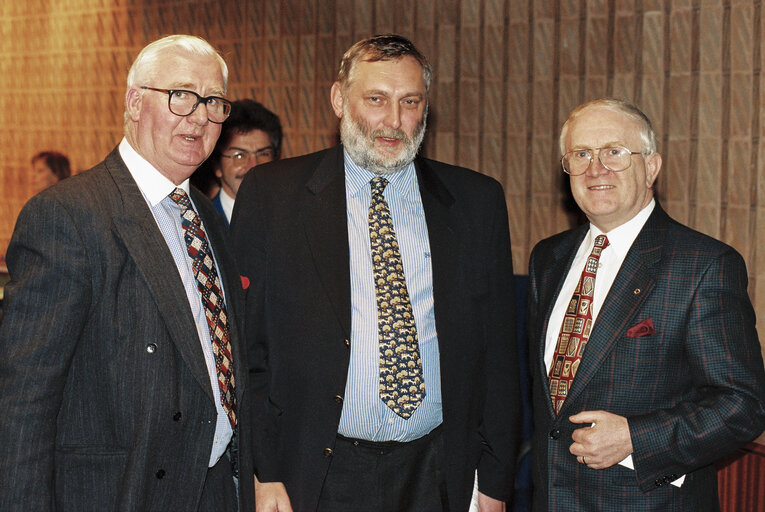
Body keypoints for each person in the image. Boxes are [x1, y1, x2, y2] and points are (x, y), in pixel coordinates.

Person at [231, 34, 520, 512]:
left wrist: (494, 481)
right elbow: (249, 350)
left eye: (410, 102)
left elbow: (498, 359)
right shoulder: (273, 197)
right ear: (339, 100)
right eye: (376, 99)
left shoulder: (476, 202)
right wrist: (265, 472)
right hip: (317, 474)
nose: (393, 121)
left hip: (438, 471)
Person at [0, 35, 254, 511]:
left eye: (214, 102)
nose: (199, 116)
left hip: (216, 490)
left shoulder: (205, 214)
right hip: (117, 492)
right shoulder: (69, 215)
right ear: (135, 102)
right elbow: (21, 402)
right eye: (181, 95)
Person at [527, 98, 765, 511]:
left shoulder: (703, 265)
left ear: (651, 167)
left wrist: (635, 438)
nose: (595, 168)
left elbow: (743, 405)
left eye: (615, 152)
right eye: (581, 154)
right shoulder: (548, 258)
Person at [208, 99, 283, 224]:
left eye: (263, 154)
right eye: (239, 156)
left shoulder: (290, 221)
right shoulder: (201, 222)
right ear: (217, 166)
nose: (253, 166)